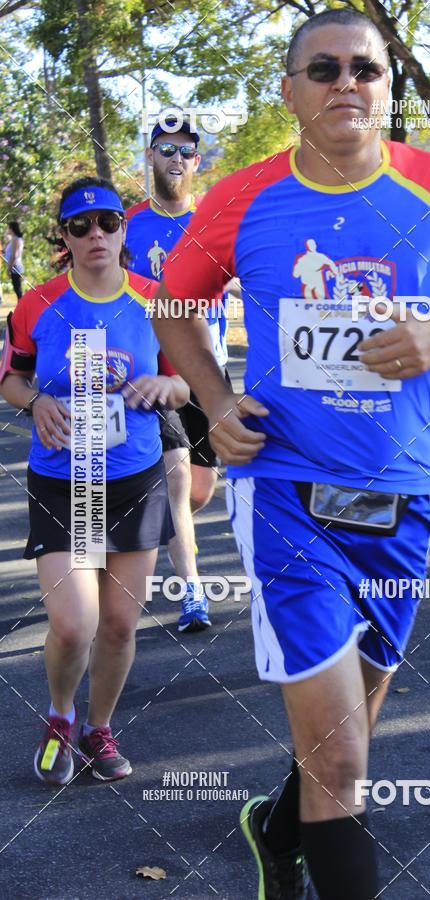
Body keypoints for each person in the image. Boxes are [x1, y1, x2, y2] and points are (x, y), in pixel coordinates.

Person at [151, 9, 430, 898]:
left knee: (345, 738)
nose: (348, 82)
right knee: (344, 768)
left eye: (366, 70)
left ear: (388, 87)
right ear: (290, 91)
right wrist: (214, 406)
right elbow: (174, 307)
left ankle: (272, 825)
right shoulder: (242, 198)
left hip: (402, 501)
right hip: (285, 491)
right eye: (325, 68)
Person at [0, 176, 189, 785]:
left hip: (134, 478)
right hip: (63, 479)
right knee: (74, 622)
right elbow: (11, 379)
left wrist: (167, 387)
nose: (96, 235)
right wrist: (34, 404)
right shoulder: (36, 305)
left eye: (107, 221)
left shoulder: (157, 300)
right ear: (64, 236)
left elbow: (189, 382)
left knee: (117, 624)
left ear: (124, 228)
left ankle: (99, 726)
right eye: (80, 226)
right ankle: (60, 713)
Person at [126, 115, 229, 632]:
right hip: (157, 369)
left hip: (210, 371)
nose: (176, 158)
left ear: (197, 159)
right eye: (165, 148)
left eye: (186, 150)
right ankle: (193, 593)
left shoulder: (216, 219)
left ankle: (159, 523)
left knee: (198, 489)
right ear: (150, 157)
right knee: (177, 477)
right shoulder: (127, 223)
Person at [5, 220, 24, 298]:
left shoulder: (15, 239)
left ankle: (23, 308)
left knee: (18, 290)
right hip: (14, 266)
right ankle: (21, 307)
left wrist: (9, 269)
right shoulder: (14, 239)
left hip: (15, 267)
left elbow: (14, 256)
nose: (7, 230)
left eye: (8, 228)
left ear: (11, 229)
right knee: (17, 289)